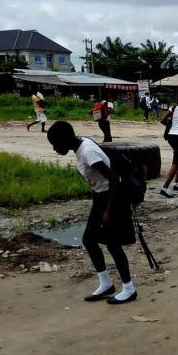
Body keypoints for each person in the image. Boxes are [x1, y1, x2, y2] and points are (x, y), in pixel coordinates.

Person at [47, 121, 137, 304]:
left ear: (65, 139)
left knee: (112, 244)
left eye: (56, 145)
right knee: (89, 239)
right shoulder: (81, 146)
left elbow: (114, 179)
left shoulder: (87, 151)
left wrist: (109, 211)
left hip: (112, 198)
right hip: (101, 197)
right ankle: (106, 284)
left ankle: (129, 288)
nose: (55, 149)